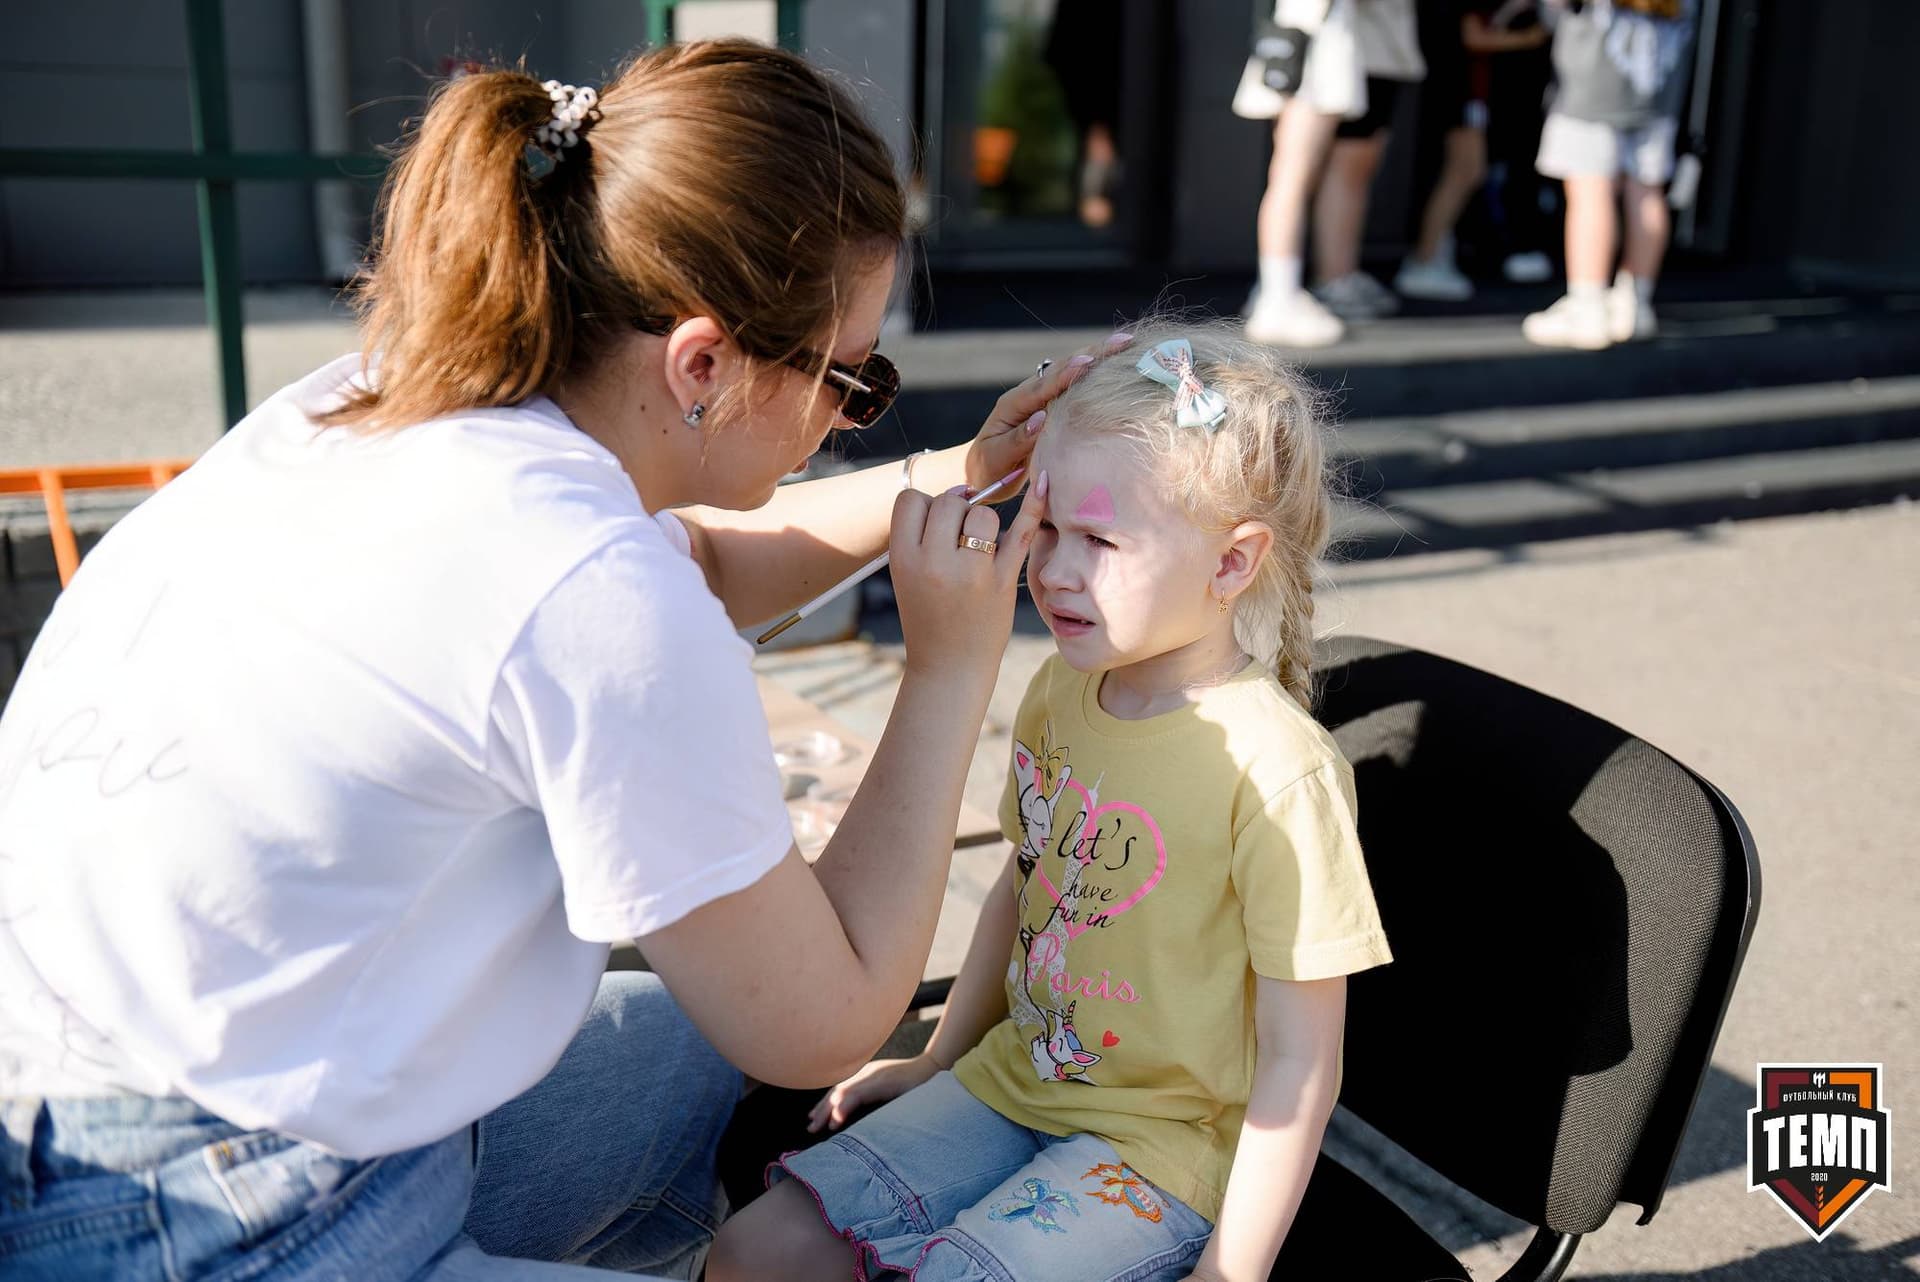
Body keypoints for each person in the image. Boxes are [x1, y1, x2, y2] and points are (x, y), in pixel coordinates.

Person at [0, 41, 1116, 1282]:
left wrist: (958, 479)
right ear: (702, 363)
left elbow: (693, 558)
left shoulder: (390, 400)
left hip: (86, 1103)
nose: (851, 417)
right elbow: (827, 1015)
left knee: (691, 1054)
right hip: (209, 1220)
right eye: (853, 381)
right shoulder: (590, 591)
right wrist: (951, 665)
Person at [708, 318, 1394, 1282]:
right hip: (1011, 1086)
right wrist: (937, 1057)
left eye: (1101, 539)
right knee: (754, 1251)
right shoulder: (1064, 688)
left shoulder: (1282, 772)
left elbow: (1299, 1063)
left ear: (1232, 563)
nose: (1054, 570)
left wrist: (1232, 1272)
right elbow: (1026, 891)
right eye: (1047, 525)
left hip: (1160, 1154)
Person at [1239, 0, 1424, 345]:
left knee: (1294, 175)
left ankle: (1284, 291)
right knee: (1291, 175)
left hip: (1322, 41)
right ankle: (1277, 296)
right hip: (1315, 42)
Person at [1523, 0, 1698, 349]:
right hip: (1657, 88)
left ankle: (1588, 305)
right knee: (1647, 192)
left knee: (1590, 191)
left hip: (1593, 84)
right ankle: (1633, 303)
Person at [1396, 0, 1553, 301]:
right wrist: (1528, 38)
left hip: (1464, 87)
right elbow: (1473, 37)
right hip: (1459, 86)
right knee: (1464, 171)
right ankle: (1426, 258)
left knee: (1468, 171)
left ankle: (1435, 253)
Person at [1310, 0, 1428, 324]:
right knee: (1348, 168)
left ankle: (1342, 271)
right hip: (1358, 49)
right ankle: (1334, 277)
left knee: (1357, 169)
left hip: (1377, 51)